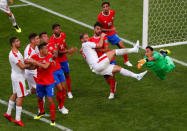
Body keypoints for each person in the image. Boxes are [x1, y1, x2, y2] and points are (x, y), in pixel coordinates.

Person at [80, 33, 147, 86]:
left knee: (118, 68)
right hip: (97, 64)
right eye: (85, 38)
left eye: (88, 37)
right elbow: (100, 45)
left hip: (96, 70)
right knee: (113, 51)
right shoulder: (86, 44)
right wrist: (102, 36)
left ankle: (137, 76)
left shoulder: (83, 47)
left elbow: (82, 51)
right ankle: (134, 50)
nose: (88, 39)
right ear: (82, 40)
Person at [25, 43, 56, 126]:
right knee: (39, 98)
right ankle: (41, 112)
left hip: (49, 82)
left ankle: (53, 119)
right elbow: (32, 66)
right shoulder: (35, 56)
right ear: (41, 50)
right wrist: (28, 64)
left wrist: (35, 62)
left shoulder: (49, 56)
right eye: (46, 48)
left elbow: (45, 67)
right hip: (40, 82)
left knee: (50, 100)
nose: (47, 50)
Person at [40, 32, 69, 114]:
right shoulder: (41, 49)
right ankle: (60, 107)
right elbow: (44, 58)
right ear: (41, 39)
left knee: (63, 88)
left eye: (47, 36)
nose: (47, 38)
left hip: (59, 68)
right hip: (51, 72)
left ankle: (61, 106)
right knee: (59, 88)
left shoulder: (53, 43)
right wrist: (50, 57)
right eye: (44, 37)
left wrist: (50, 56)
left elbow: (55, 54)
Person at [4, 37, 31, 126]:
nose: (19, 42)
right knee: (21, 96)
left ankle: (8, 113)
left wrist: (29, 63)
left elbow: (23, 63)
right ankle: (17, 119)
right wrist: (31, 65)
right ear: (13, 44)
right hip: (18, 77)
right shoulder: (13, 55)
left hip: (16, 76)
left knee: (15, 94)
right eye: (17, 41)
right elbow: (22, 66)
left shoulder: (17, 52)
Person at [97, 1, 132, 66]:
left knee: (122, 46)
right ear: (102, 8)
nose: (105, 8)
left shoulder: (112, 12)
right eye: (104, 7)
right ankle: (99, 61)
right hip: (104, 35)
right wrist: (110, 29)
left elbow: (110, 22)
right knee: (103, 50)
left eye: (107, 6)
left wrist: (112, 29)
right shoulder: (100, 17)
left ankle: (126, 61)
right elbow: (100, 29)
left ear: (109, 7)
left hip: (112, 33)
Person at [89, 22, 117, 99]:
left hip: (109, 58)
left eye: (100, 29)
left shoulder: (104, 38)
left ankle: (112, 93)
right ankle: (114, 83)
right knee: (108, 79)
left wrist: (97, 48)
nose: (99, 31)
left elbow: (107, 49)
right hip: (101, 62)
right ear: (94, 29)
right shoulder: (90, 40)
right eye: (97, 29)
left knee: (111, 75)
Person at [49, 24, 77, 99]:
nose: (59, 30)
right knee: (59, 76)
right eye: (56, 29)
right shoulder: (52, 40)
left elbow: (64, 43)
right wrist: (68, 51)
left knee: (67, 74)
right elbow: (57, 52)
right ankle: (59, 90)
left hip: (64, 59)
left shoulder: (63, 34)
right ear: (53, 30)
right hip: (57, 60)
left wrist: (68, 50)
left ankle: (69, 91)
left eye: (59, 28)